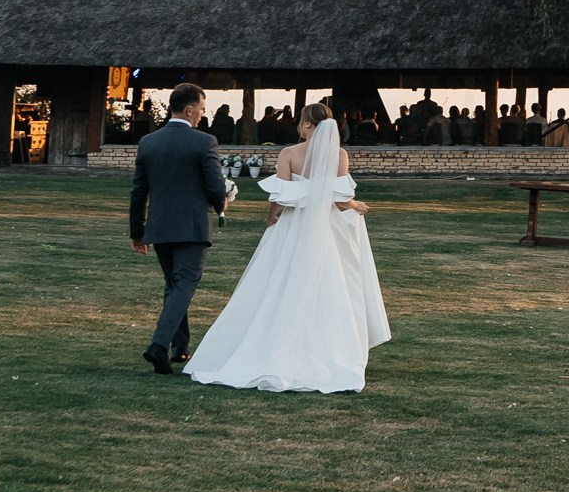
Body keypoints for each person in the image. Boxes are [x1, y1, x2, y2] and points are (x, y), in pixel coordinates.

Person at [184, 103, 391, 393]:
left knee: (279, 282)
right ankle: (328, 350)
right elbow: (341, 199)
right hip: (326, 228)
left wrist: (272, 219)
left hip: (294, 227)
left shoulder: (289, 154)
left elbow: (279, 196)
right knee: (328, 285)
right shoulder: (339, 155)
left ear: (306, 125)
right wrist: (358, 205)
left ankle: (269, 343)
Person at [128, 82, 227, 375]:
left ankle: (179, 347)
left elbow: (138, 191)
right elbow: (214, 186)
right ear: (189, 109)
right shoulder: (204, 142)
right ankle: (158, 345)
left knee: (174, 285)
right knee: (184, 284)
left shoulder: (148, 142)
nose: (201, 115)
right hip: (192, 226)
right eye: (201, 109)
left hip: (159, 227)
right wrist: (222, 204)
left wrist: (137, 231)